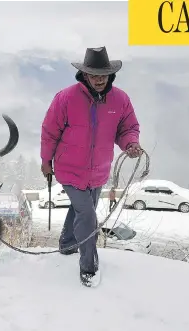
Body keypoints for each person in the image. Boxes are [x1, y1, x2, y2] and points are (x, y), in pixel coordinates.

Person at [40, 46, 142, 287]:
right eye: (94, 75)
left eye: (103, 75)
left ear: (110, 75)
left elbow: (127, 128)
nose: (98, 80)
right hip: (69, 169)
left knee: (80, 210)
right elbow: (49, 132)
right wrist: (46, 161)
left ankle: (66, 244)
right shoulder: (66, 98)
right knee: (87, 214)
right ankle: (89, 267)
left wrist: (131, 144)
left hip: (98, 171)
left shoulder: (120, 99)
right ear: (84, 74)